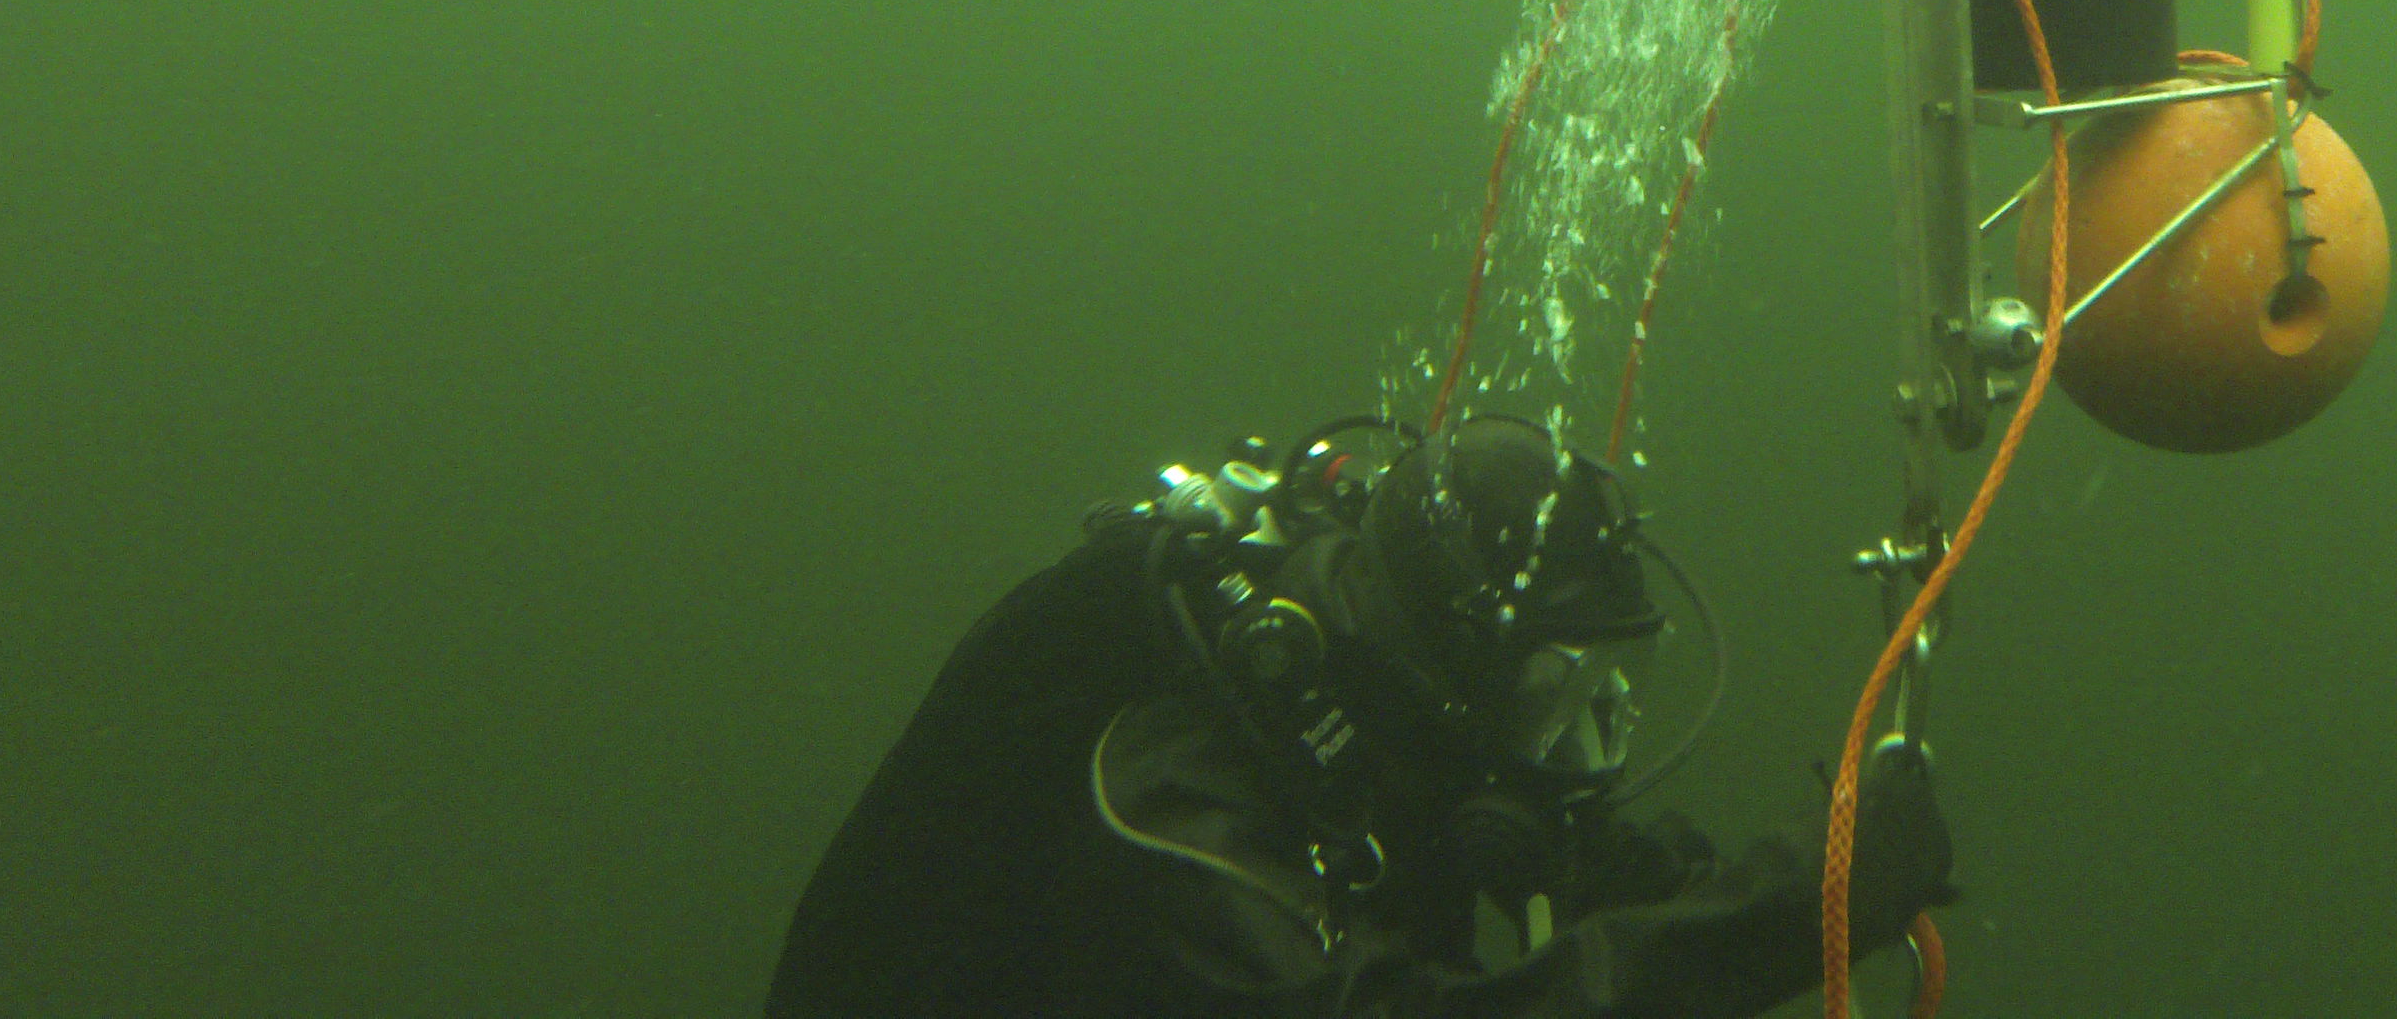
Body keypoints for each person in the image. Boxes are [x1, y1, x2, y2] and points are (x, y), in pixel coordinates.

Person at [767, 412, 1956, 1018]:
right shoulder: (1182, 810)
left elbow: (1523, 802)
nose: (1579, 737)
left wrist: (1678, 874)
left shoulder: (1375, 662)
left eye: (1601, 690)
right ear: (1453, 665)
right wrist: (1799, 905)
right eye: (1553, 692)